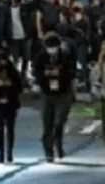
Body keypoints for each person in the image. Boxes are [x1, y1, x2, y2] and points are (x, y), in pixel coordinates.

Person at [34, 33, 75, 162]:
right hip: (47, 93)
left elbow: (71, 72)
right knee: (47, 123)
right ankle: (48, 150)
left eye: (53, 47)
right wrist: (42, 79)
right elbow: (37, 73)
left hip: (62, 93)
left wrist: (62, 75)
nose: (51, 49)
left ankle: (59, 144)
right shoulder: (41, 58)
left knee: (59, 122)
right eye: (49, 47)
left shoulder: (65, 57)